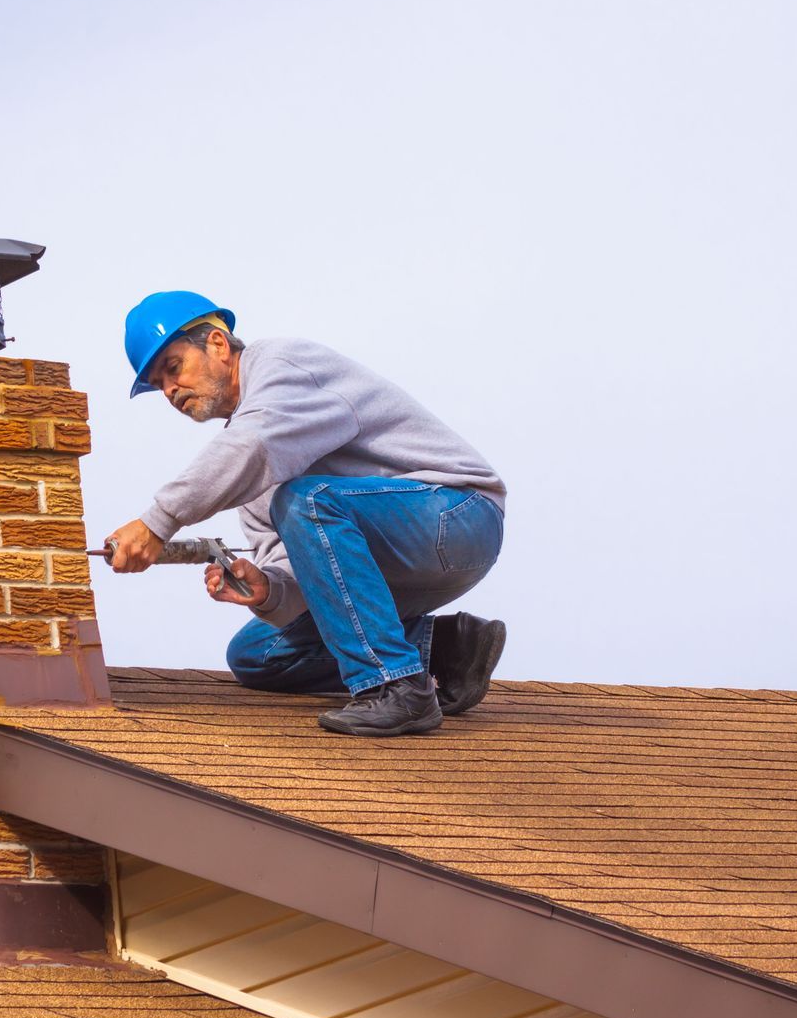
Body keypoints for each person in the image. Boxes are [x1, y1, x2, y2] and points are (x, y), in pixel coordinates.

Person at [102, 290, 508, 737]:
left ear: (218, 344)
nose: (170, 390)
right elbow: (302, 571)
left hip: (459, 516)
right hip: (395, 566)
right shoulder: (250, 467)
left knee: (307, 500)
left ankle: (397, 687)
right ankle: (446, 650)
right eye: (159, 385)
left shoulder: (282, 365)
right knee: (259, 653)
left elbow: (254, 445)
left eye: (173, 368)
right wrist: (268, 590)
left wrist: (156, 523)